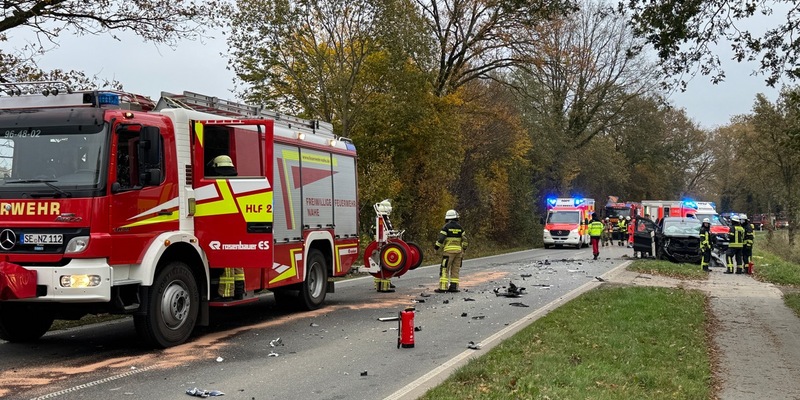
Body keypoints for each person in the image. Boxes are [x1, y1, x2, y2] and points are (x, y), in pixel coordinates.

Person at [208, 155, 245, 300]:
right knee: (237, 261)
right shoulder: (235, 182)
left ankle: (226, 293)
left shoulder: (218, 183)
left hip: (224, 226)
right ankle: (239, 291)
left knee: (227, 262)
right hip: (237, 225)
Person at [434, 209, 467, 293]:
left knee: (445, 269)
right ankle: (453, 287)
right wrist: (463, 249)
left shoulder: (446, 227)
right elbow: (465, 240)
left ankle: (443, 287)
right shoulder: (460, 228)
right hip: (458, 253)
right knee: (455, 270)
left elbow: (441, 239)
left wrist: (436, 248)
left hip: (448, 253)